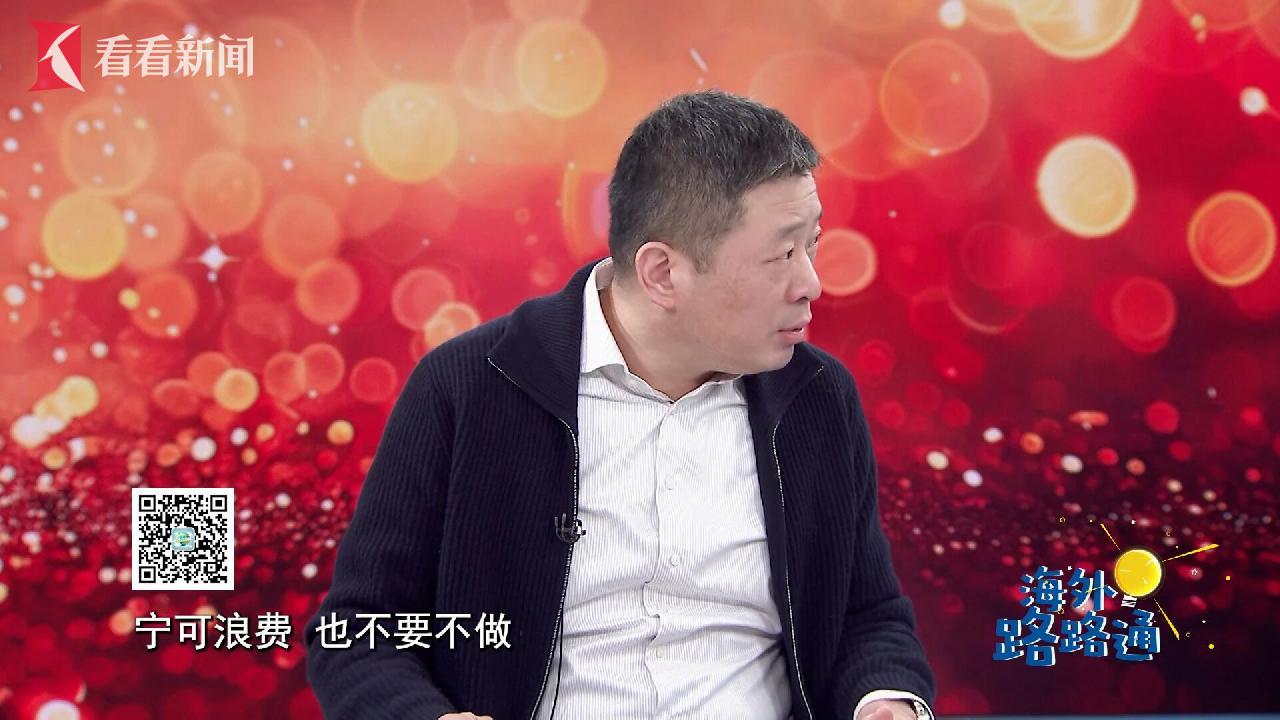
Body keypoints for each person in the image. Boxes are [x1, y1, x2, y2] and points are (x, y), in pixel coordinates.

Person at [305, 89, 935, 720]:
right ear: (662, 273)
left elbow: (868, 616)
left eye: (812, 244)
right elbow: (354, 633)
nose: (811, 284)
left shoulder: (817, 399)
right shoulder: (469, 385)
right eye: (781, 255)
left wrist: (884, 700)